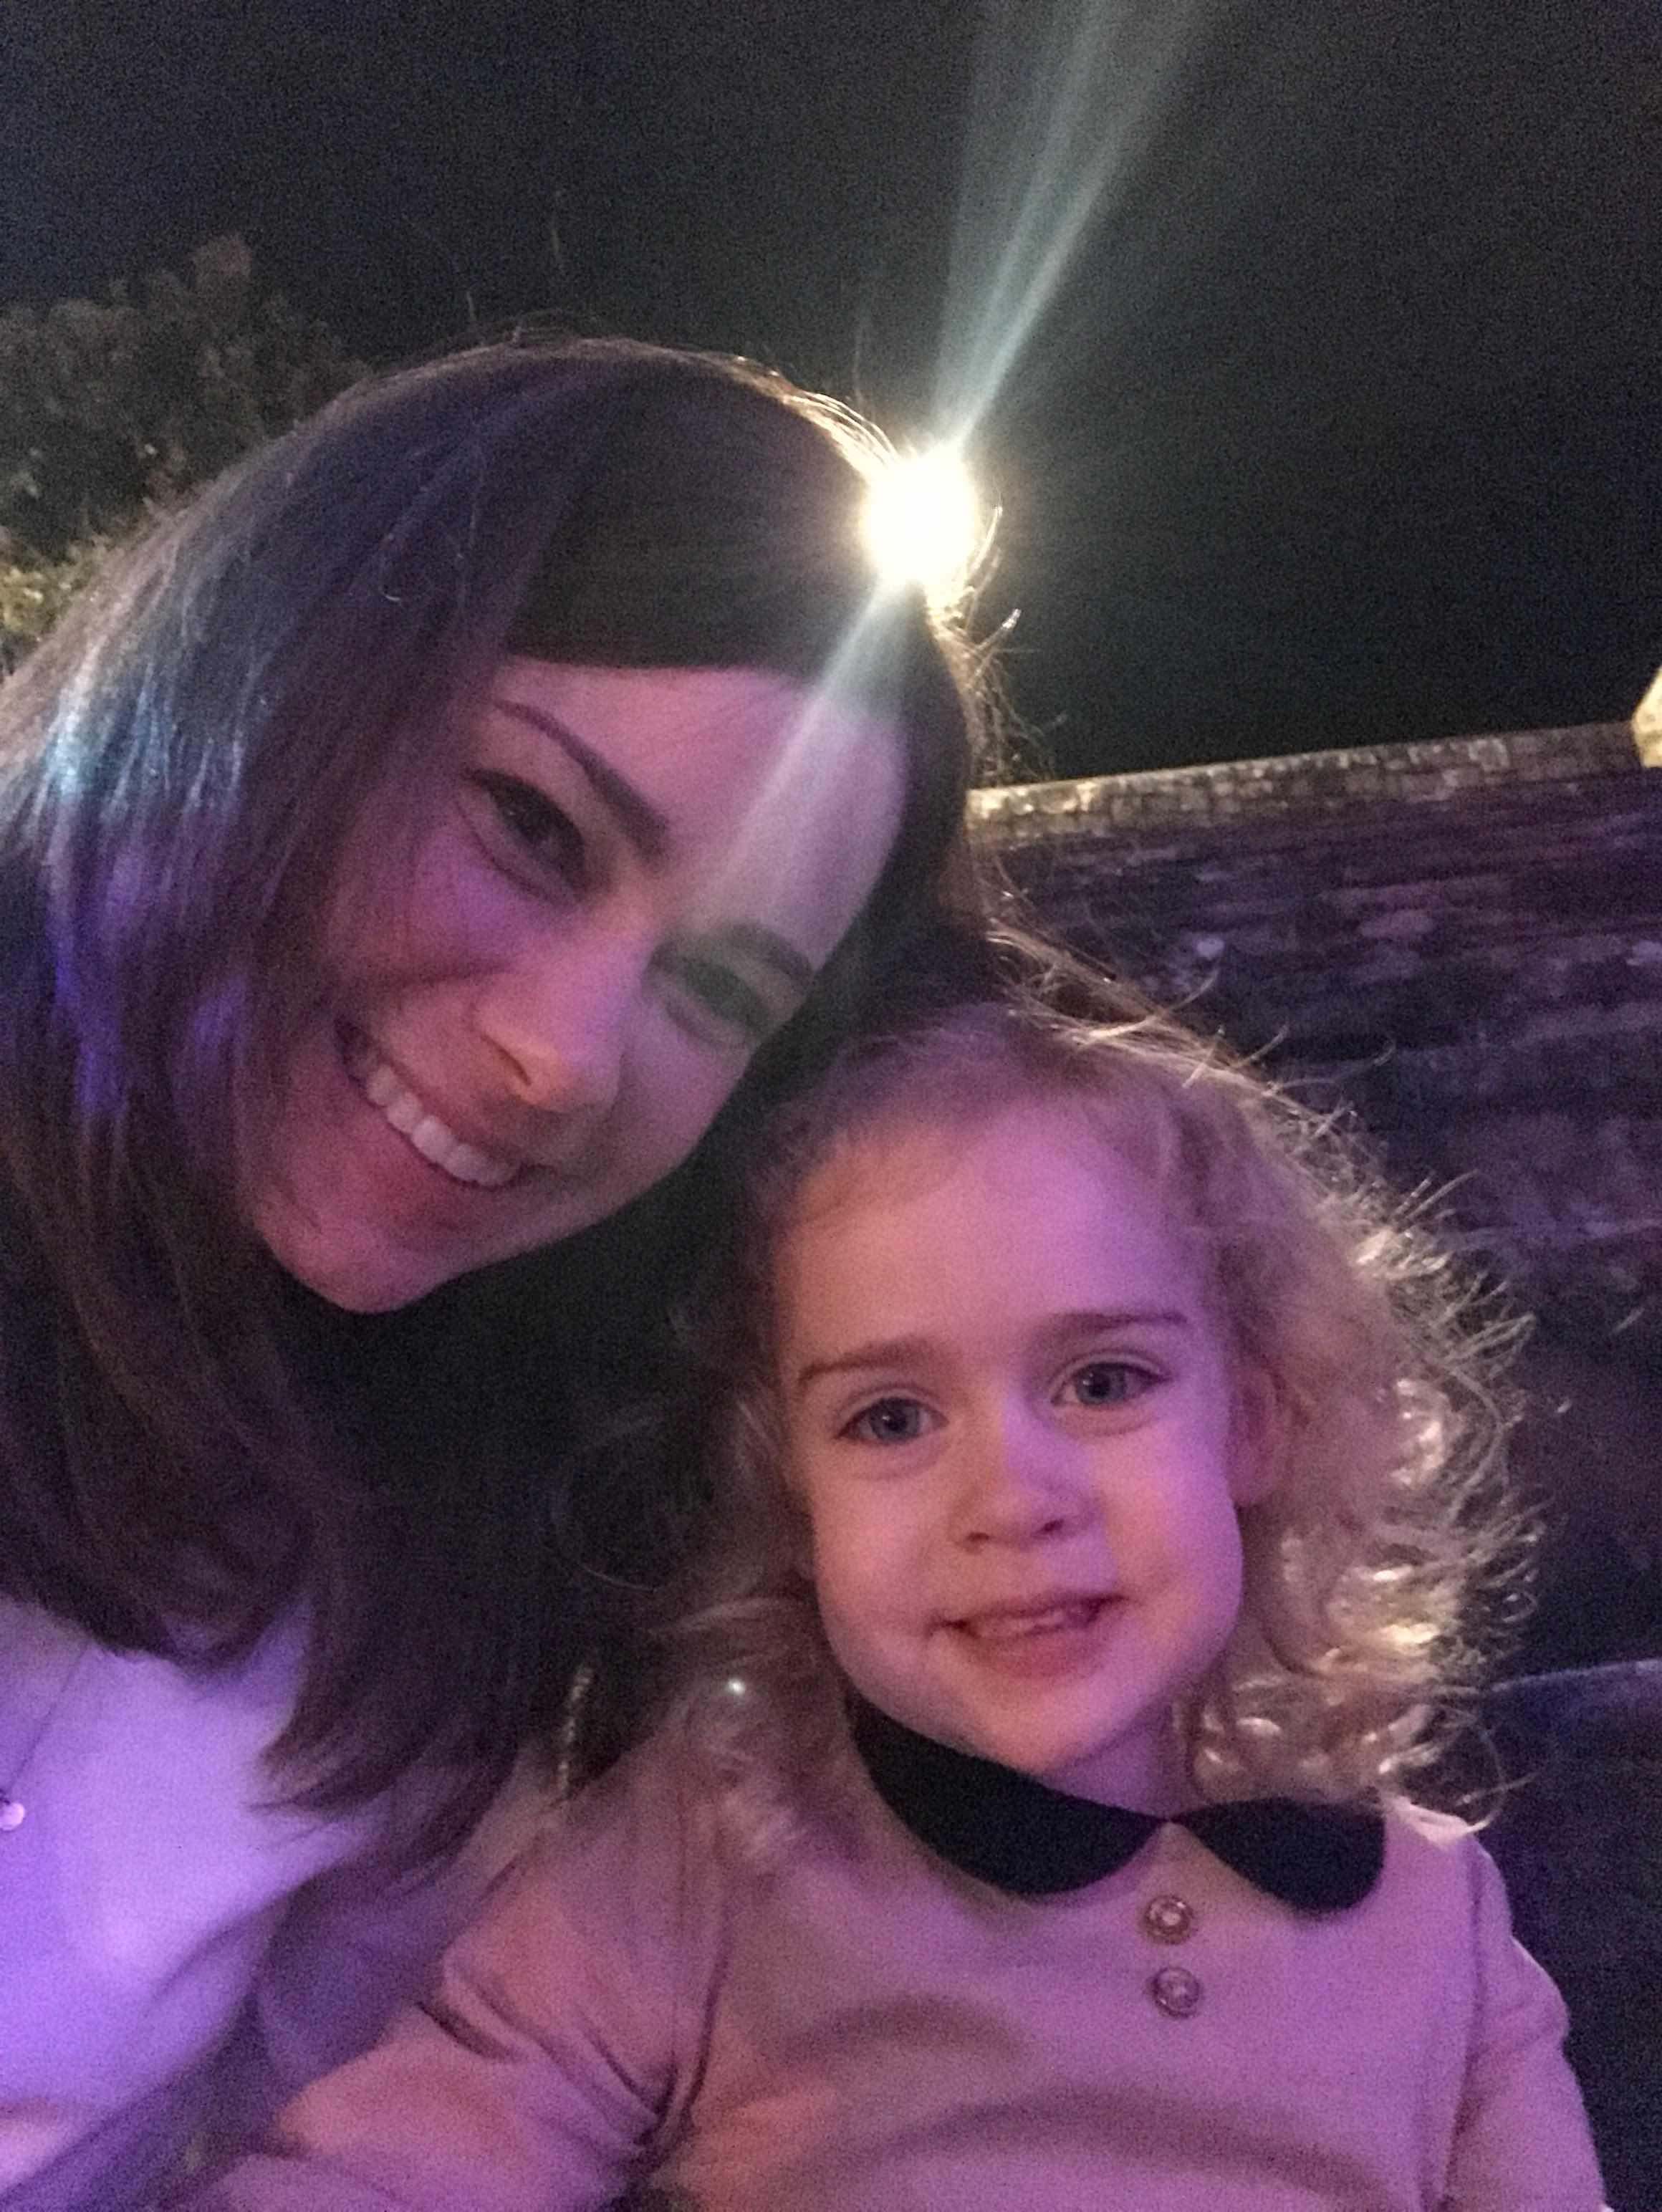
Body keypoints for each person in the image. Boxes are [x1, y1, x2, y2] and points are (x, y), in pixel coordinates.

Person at [0, 337, 986, 2211]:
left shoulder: (450, 1599)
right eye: (532, 826)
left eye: (720, 992)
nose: (568, 1057)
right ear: (262, 676)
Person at [178, 948, 1607, 2209]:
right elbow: (403, 2165)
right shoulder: (714, 1853)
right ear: (792, 1495)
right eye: (891, 1418)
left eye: (1103, 1380)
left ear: (1257, 1417)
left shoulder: (1440, 1924)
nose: (1012, 1498)